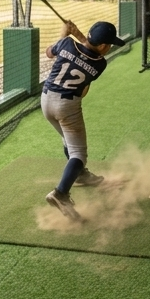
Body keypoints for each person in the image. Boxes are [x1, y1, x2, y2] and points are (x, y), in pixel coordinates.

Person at [41, 19, 124, 220]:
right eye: (109, 44)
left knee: (67, 140)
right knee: (78, 154)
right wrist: (75, 32)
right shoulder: (100, 64)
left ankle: (80, 175)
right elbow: (84, 84)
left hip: (46, 101)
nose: (109, 47)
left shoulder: (66, 43)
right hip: (67, 106)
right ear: (103, 46)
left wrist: (66, 33)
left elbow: (49, 52)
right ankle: (60, 193)